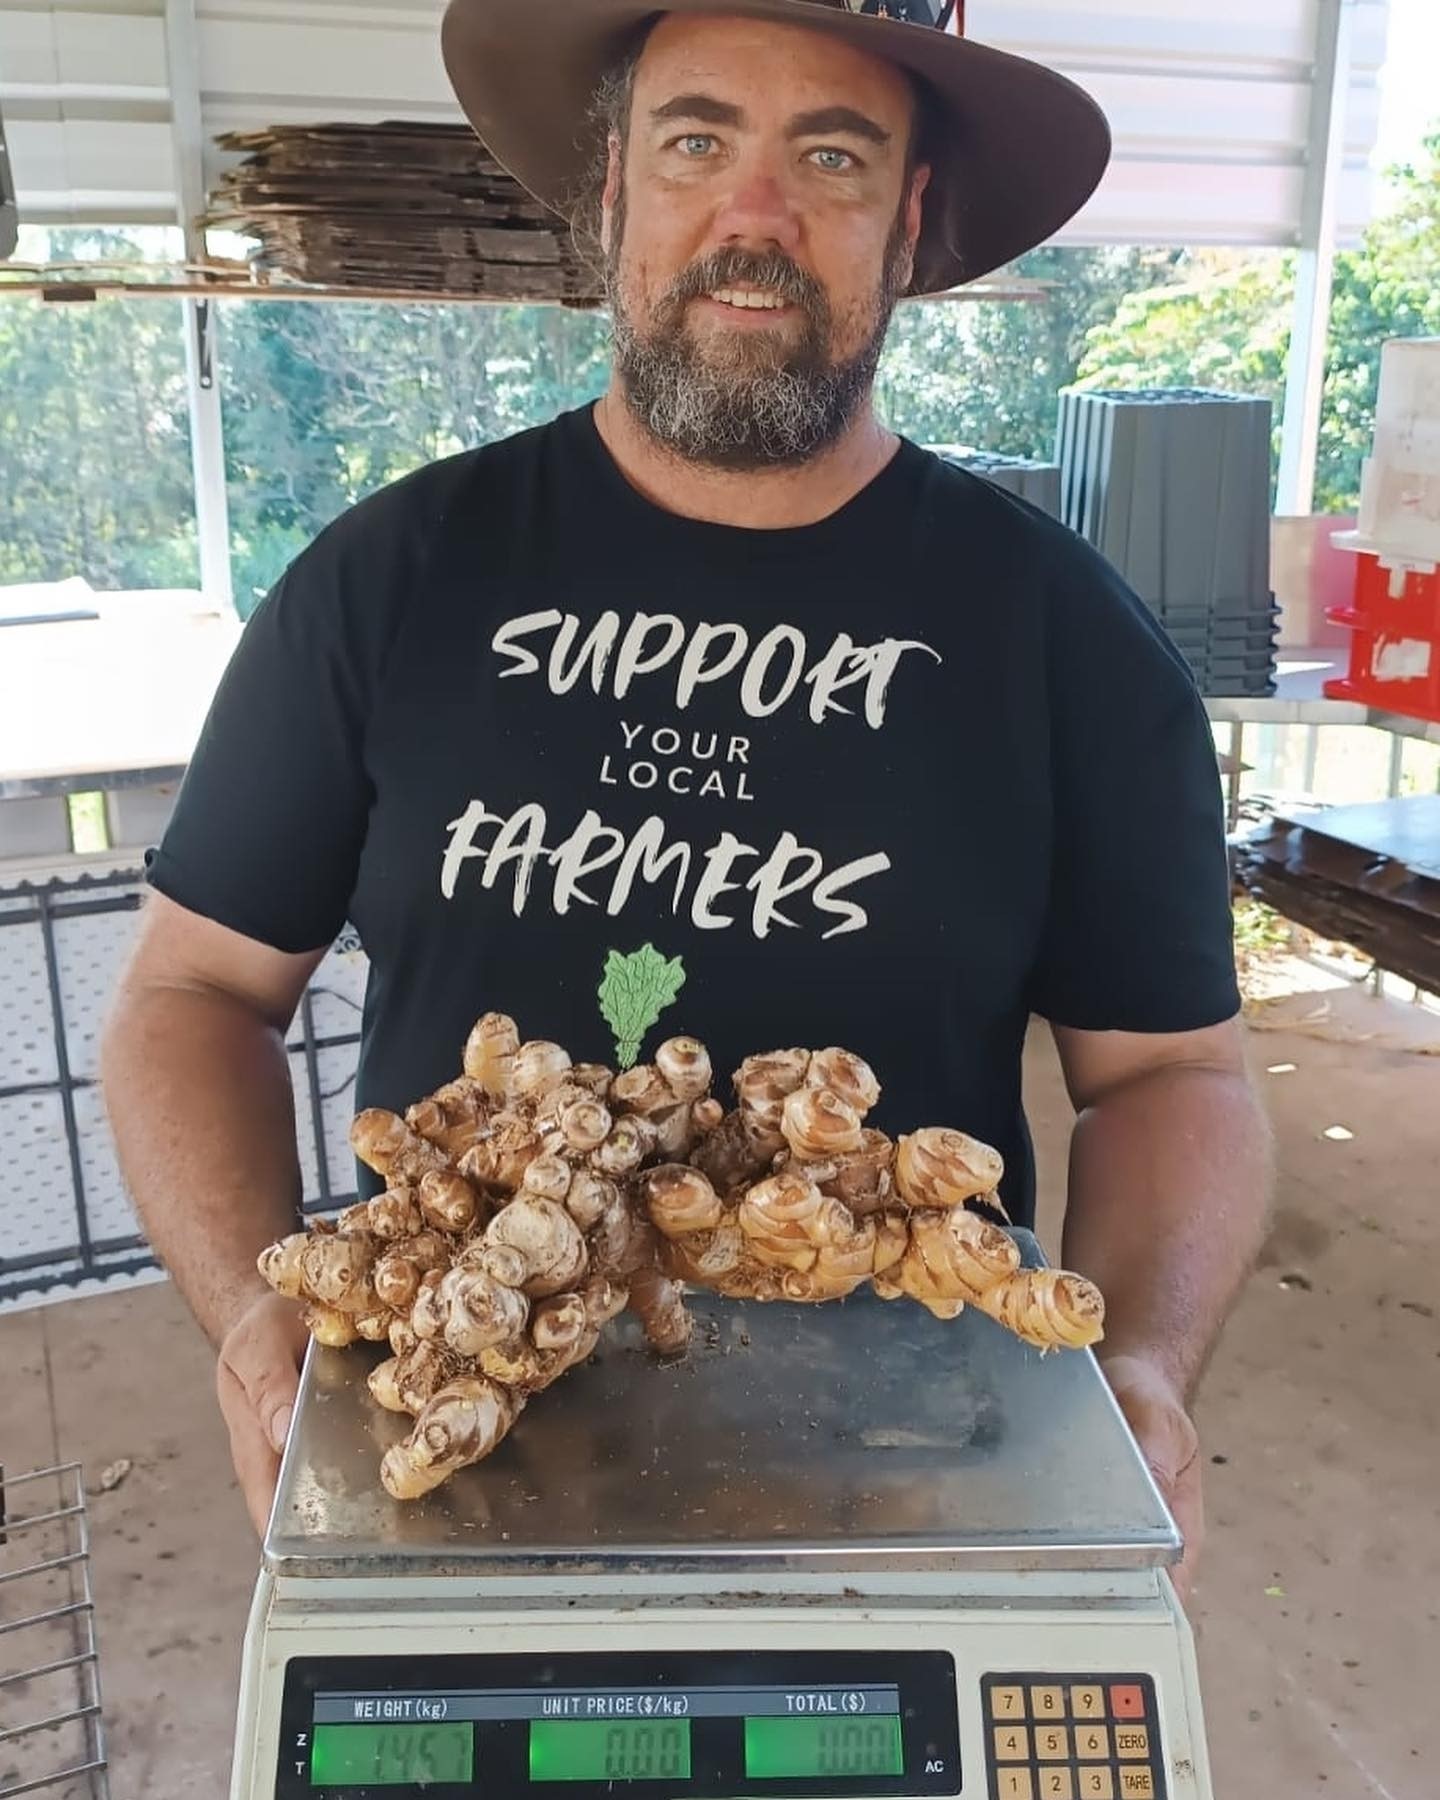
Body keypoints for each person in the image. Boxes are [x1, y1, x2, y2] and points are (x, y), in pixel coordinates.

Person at [101, 0, 1272, 1594]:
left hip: (917, 1494)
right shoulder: (393, 581)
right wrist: (255, 1317)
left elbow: (1175, 1079)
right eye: (698, 141)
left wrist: (1140, 1367)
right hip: (466, 1465)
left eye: (834, 156)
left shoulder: (1066, 641)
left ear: (909, 222)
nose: (756, 217)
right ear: (611, 197)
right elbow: (191, 991)